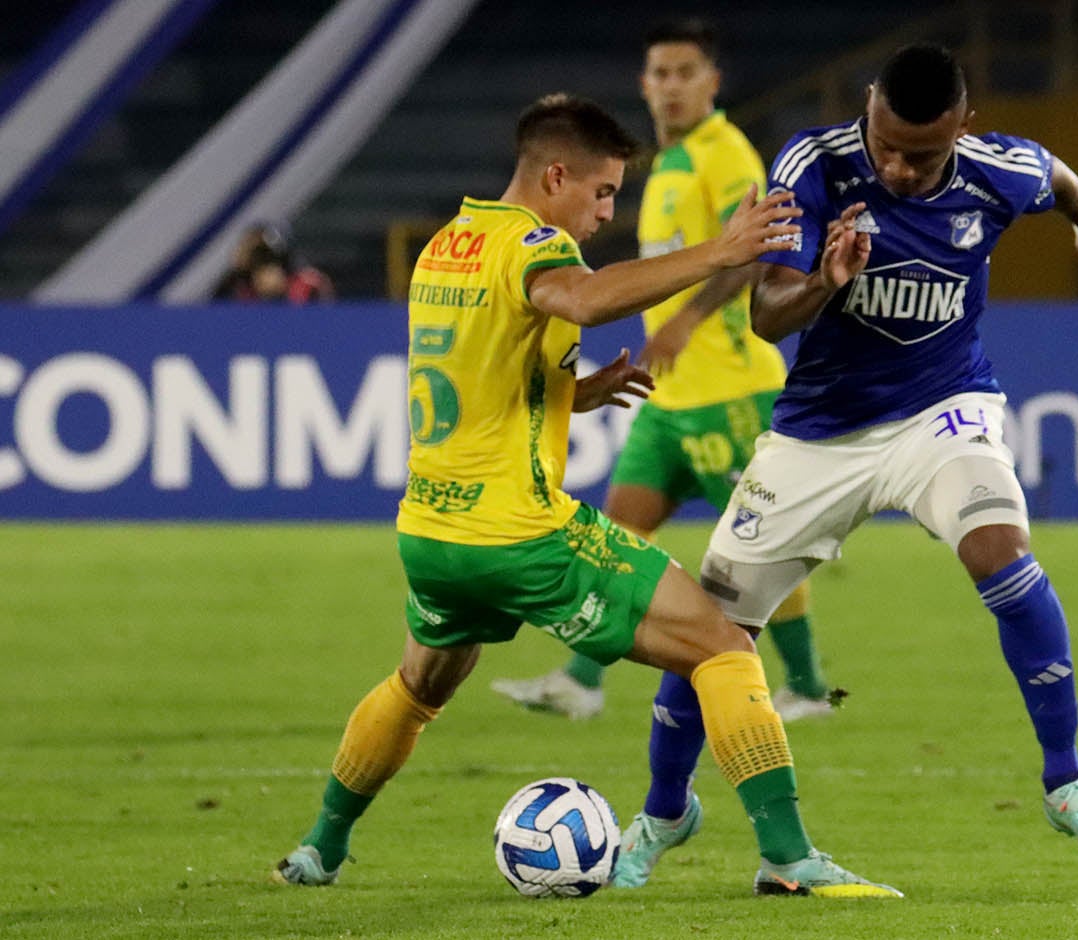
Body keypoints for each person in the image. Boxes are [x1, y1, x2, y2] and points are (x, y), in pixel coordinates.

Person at [273, 93, 900, 899]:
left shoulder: (446, 246)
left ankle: (319, 849)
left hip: (432, 535)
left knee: (418, 685)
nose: (607, 213)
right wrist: (721, 250)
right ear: (555, 176)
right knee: (724, 648)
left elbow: (476, 379)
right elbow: (579, 297)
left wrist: (575, 393)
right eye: (602, 192)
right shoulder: (529, 243)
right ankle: (787, 858)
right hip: (520, 534)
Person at [608, 44, 1078, 889]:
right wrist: (823, 279)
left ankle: (1066, 780)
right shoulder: (812, 167)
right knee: (711, 633)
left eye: (918, 154)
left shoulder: (999, 171)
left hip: (941, 411)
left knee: (1000, 551)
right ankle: (666, 810)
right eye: (883, 141)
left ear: (961, 130)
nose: (893, 166)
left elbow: (1058, 177)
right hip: (817, 434)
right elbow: (766, 319)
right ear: (867, 105)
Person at [489, 19, 836, 724]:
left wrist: (685, 319)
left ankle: (803, 686)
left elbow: (753, 247)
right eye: (660, 74)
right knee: (619, 527)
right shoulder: (667, 163)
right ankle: (581, 681)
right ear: (644, 84)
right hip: (668, 395)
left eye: (685, 73)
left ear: (712, 81)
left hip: (729, 390)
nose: (670, 87)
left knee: (762, 547)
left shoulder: (725, 154)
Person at [215, 222, 334, 303]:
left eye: (270, 260)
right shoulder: (236, 289)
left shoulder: (308, 286)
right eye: (258, 262)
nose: (266, 273)